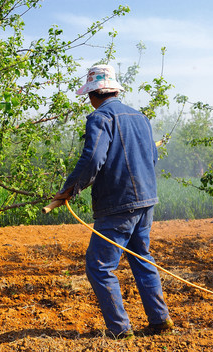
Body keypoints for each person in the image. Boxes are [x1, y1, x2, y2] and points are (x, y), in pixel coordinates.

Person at [52, 64, 173, 339]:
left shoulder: (99, 118)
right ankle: (160, 320)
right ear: (116, 90)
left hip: (118, 204)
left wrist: (70, 188)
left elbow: (93, 159)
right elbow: (151, 157)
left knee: (99, 266)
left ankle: (120, 331)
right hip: (145, 201)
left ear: (93, 95)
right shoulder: (140, 117)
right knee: (142, 257)